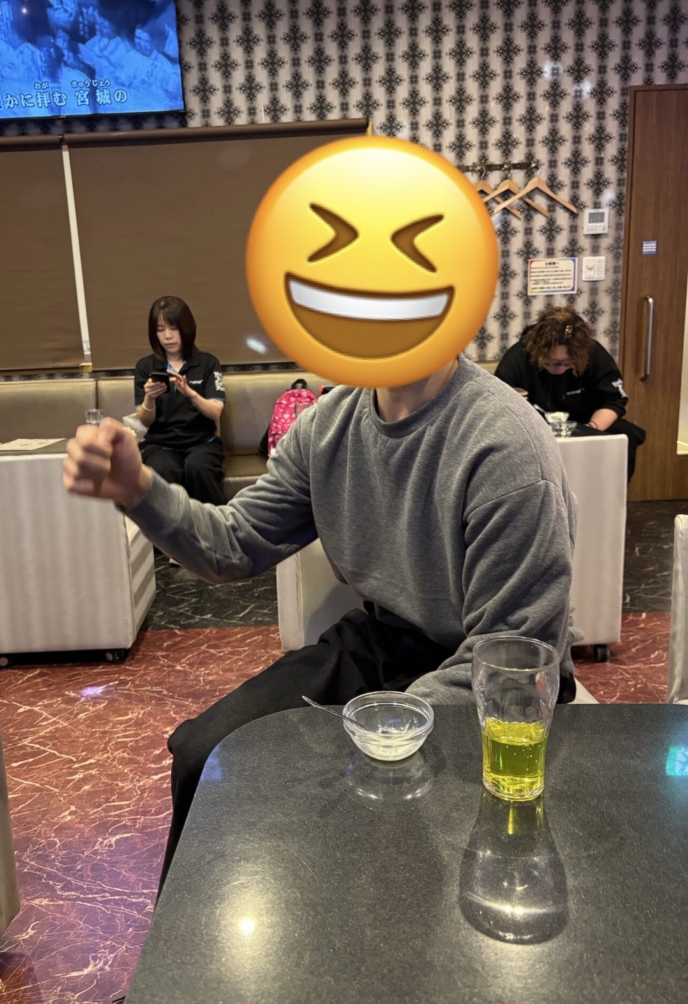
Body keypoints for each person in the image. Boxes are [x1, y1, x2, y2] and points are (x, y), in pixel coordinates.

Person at [64, 350, 579, 895]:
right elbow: (233, 543)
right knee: (208, 754)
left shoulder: (505, 444)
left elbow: (515, 649)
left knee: (342, 788)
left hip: (498, 677)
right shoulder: (329, 426)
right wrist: (139, 490)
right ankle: (188, 947)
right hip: (383, 641)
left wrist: (376, 734)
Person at [495, 306, 645, 481]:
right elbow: (501, 408)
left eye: (567, 363)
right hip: (536, 429)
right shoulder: (517, 358)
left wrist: (590, 430)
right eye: (552, 363)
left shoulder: (594, 354)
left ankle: (610, 491)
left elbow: (612, 400)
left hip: (585, 423)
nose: (560, 369)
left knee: (625, 434)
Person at [134, 296, 225, 506]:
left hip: (201, 442)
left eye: (173, 328)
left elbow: (215, 412)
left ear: (186, 328)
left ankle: (211, 526)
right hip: (160, 445)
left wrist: (190, 393)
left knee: (198, 468)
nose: (167, 336)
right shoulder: (146, 367)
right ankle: (167, 529)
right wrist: (149, 397)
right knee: (162, 470)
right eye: (160, 329)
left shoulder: (208, 363)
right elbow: (145, 421)